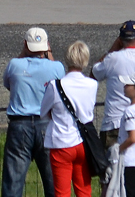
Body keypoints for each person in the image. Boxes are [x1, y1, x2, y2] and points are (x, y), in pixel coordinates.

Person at [1, 27, 64, 197]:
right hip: (47, 124)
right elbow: (61, 87)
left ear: (25, 45)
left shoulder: (15, 64)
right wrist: (48, 53)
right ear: (46, 46)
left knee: (13, 180)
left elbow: (8, 84)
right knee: (52, 179)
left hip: (19, 124)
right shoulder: (56, 67)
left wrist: (24, 52)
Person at [91, 21, 135, 156]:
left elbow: (94, 74)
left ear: (120, 40)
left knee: (113, 173)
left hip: (115, 124)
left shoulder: (113, 58)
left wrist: (111, 50)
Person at [40, 41, 98, 197]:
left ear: (67, 59)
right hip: (83, 142)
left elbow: (43, 112)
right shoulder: (92, 85)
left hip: (61, 142)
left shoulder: (55, 85)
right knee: (84, 190)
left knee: (62, 192)